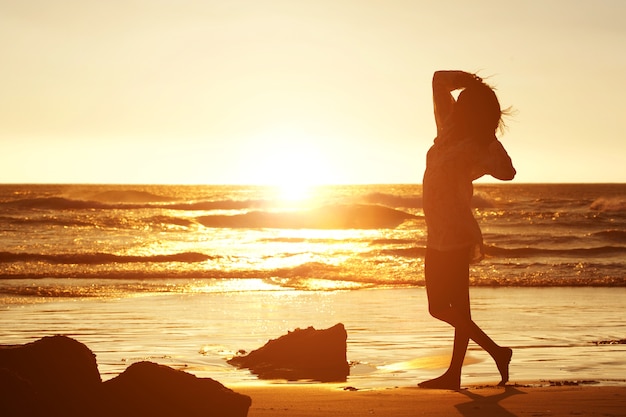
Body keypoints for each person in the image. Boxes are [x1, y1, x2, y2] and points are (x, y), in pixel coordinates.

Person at [420, 70, 516, 390]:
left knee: (447, 309)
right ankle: (492, 356)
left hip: (457, 234)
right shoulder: (446, 128)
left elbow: (508, 172)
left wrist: (489, 139)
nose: (456, 103)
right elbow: (438, 79)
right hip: (438, 234)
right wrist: (473, 83)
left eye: (464, 103)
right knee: (446, 309)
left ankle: (472, 365)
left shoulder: (477, 143)